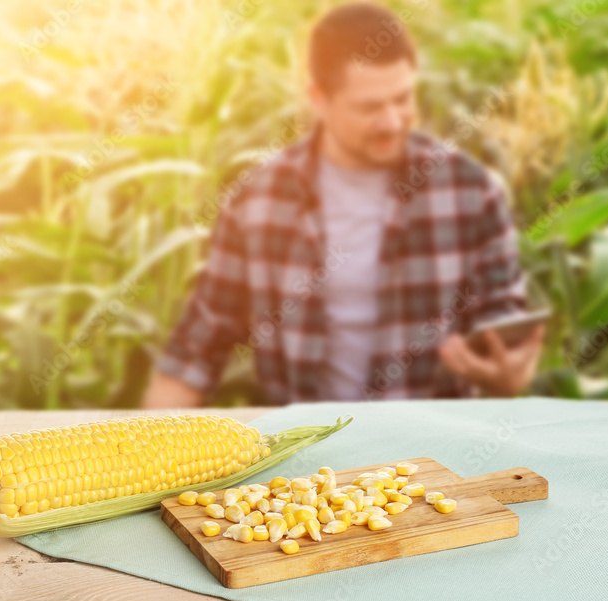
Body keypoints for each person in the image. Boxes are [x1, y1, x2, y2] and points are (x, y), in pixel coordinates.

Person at [142, 2, 544, 409]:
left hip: (434, 456)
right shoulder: (258, 200)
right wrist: (145, 454)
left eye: (403, 99)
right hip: (306, 455)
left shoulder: (471, 192)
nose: (391, 121)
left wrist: (508, 373)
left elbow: (505, 334)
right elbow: (196, 349)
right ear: (319, 98)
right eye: (369, 107)